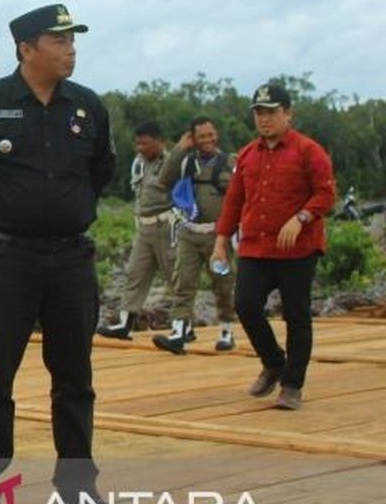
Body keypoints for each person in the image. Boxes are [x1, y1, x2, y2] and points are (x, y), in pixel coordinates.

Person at [0, 3, 114, 501]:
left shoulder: (87, 107)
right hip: (6, 258)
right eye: (59, 41)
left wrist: (63, 210)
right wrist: (0, 209)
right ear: (26, 48)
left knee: (75, 375)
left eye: (73, 40)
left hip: (72, 260)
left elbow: (101, 172)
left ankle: (78, 485)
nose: (70, 49)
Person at [213, 83, 335, 411]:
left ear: (287, 113)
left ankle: (292, 385)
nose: (265, 119)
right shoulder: (248, 155)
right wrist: (222, 240)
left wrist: (302, 217)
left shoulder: (308, 151)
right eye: (259, 113)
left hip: (298, 249)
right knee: (246, 305)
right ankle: (273, 362)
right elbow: (234, 201)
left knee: (296, 314)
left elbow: (326, 193)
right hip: (255, 247)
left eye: (272, 112)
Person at [152, 116, 238, 354]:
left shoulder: (230, 162)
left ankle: (226, 330)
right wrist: (180, 148)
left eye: (211, 135)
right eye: (202, 136)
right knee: (184, 282)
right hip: (189, 232)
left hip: (217, 235)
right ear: (194, 138)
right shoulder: (185, 162)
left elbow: (242, 195)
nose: (208, 140)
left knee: (223, 283)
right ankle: (179, 332)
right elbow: (164, 179)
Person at [96, 121, 175, 341]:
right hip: (144, 227)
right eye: (138, 144)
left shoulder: (171, 164)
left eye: (145, 143)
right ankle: (125, 324)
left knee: (175, 276)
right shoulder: (139, 163)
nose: (140, 148)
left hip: (166, 226)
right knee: (134, 273)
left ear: (160, 142)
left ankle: (183, 326)